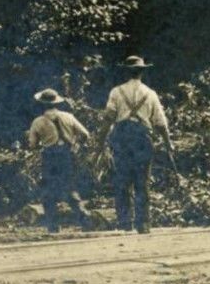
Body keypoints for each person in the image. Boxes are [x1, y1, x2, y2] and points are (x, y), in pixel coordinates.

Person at [104, 56, 175, 233]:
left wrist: (101, 141)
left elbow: (108, 118)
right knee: (142, 182)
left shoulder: (116, 92)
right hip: (142, 139)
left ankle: (124, 223)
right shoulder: (150, 94)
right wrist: (168, 144)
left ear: (126, 72)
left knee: (122, 181)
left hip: (122, 138)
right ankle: (143, 224)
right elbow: (160, 123)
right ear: (142, 72)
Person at [25, 88, 93, 232]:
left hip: (50, 157)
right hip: (68, 155)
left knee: (49, 189)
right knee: (70, 185)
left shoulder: (37, 122)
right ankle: (83, 217)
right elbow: (86, 134)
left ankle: (53, 225)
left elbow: (32, 144)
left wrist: (42, 142)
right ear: (57, 103)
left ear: (42, 104)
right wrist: (76, 145)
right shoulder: (68, 117)